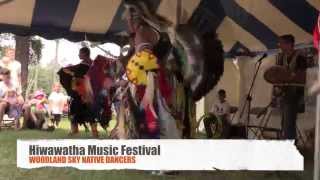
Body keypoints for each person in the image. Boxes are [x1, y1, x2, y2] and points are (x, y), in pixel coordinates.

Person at [273, 34, 307, 140]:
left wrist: (289, 77)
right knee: (285, 122)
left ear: (289, 44)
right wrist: (277, 86)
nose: (279, 46)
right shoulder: (281, 58)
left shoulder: (300, 57)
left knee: (288, 124)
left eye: (281, 43)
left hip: (295, 95)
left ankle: (289, 147)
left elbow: (302, 76)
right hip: (284, 95)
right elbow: (277, 75)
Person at [58, 47, 97, 137]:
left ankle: (75, 130)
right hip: (88, 92)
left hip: (82, 92)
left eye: (80, 53)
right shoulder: (92, 64)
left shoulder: (85, 65)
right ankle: (93, 131)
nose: (78, 55)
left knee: (75, 109)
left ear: (85, 54)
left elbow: (78, 75)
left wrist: (68, 72)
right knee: (88, 110)